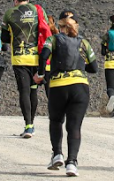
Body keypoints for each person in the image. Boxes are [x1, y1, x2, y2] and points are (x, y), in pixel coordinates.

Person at [35, 14, 97, 177]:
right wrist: (81, 67)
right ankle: (72, 163)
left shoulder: (53, 39)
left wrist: (40, 74)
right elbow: (95, 67)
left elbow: (43, 56)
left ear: (60, 26)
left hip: (58, 85)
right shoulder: (84, 42)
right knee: (74, 126)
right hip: (80, 86)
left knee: (56, 121)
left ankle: (57, 154)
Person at [2, 0, 49, 138]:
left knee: (24, 91)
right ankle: (32, 124)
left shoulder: (10, 13)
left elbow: (3, 37)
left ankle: (28, 125)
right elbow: (46, 29)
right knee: (33, 90)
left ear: (15, 0)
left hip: (19, 58)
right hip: (37, 58)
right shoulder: (38, 11)